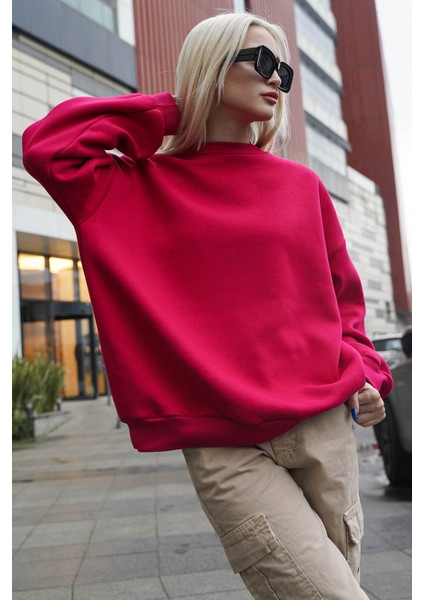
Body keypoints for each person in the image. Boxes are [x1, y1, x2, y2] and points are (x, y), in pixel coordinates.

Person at [22, 11, 393, 599]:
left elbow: (345, 305)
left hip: (325, 426)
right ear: (211, 66)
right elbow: (50, 147)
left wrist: (368, 374)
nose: (276, 79)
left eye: (285, 71)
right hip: (226, 446)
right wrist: (179, 109)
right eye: (262, 61)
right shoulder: (133, 186)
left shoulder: (303, 187)